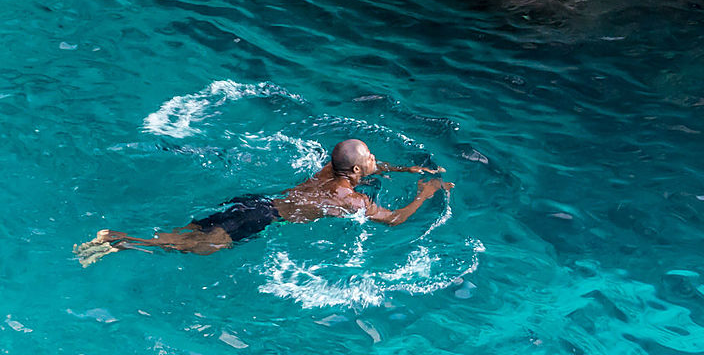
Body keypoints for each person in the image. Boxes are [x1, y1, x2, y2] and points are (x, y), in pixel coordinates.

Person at [74, 139, 453, 267]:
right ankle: (119, 240)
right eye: (370, 158)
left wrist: (406, 168)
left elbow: (362, 166)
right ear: (356, 170)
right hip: (261, 219)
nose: (375, 162)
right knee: (196, 247)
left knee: (191, 233)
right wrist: (424, 192)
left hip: (253, 203)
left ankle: (123, 241)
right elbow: (395, 220)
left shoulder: (328, 172)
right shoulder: (352, 200)